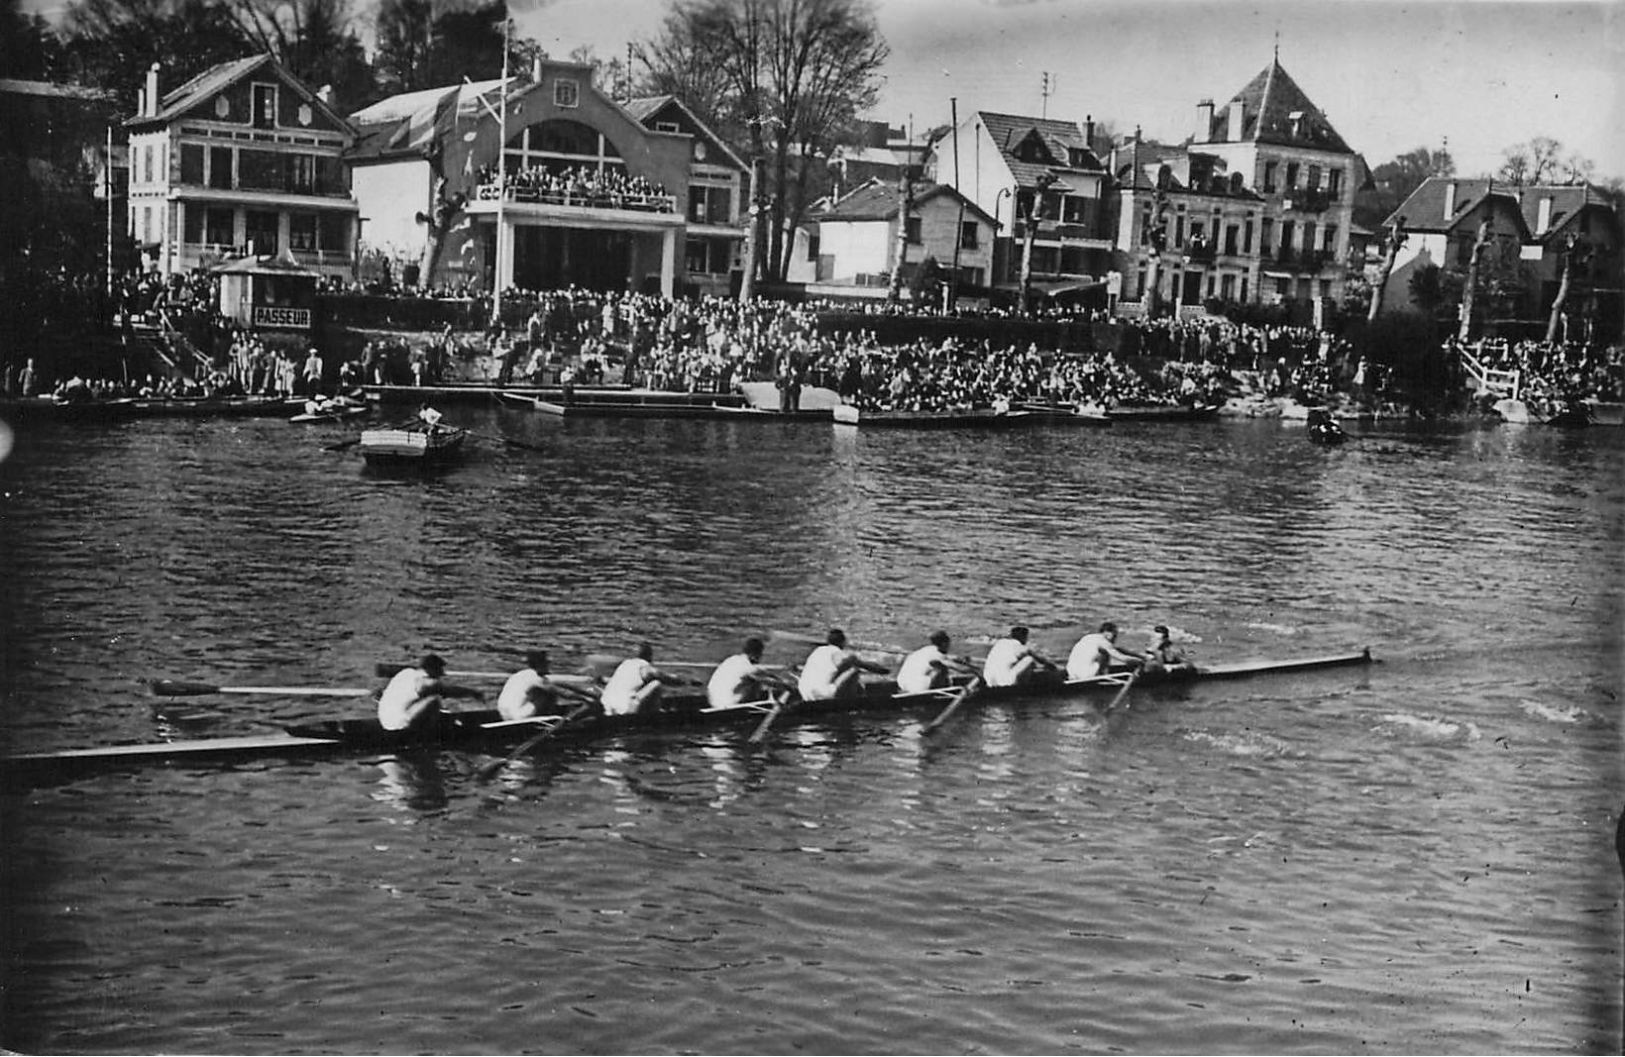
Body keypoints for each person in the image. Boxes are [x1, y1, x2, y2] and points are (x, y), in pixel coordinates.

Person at [377, 654, 485, 732]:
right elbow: (450, 691)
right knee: (434, 700)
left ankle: (434, 724)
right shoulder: (428, 684)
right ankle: (432, 732)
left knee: (428, 701)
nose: (442, 673)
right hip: (399, 725)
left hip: (385, 721)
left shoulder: (405, 673)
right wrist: (474, 693)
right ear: (430, 669)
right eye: (440, 669)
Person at [797, 628, 888, 701]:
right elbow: (863, 665)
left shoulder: (818, 651)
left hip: (804, 692)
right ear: (843, 642)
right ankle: (853, 700)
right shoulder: (837, 653)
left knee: (845, 669)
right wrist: (883, 670)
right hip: (822, 694)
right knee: (854, 669)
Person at [707, 637, 786, 710]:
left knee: (748, 681)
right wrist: (788, 687)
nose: (761, 657)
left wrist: (777, 678)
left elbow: (764, 672)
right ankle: (757, 708)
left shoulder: (732, 659)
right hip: (729, 705)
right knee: (755, 682)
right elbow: (772, 682)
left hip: (713, 701)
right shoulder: (748, 668)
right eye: (760, 654)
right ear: (755, 654)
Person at [600, 643, 669, 716]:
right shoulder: (645, 667)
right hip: (626, 709)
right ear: (649, 656)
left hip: (607, 707)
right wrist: (680, 681)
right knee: (656, 684)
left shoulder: (625, 664)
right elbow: (667, 679)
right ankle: (655, 715)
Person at [981, 626, 1058, 688]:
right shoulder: (1022, 648)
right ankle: (1024, 687)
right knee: (1029, 660)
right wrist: (1053, 668)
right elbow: (1042, 661)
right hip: (1006, 683)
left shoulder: (1000, 643)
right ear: (1024, 638)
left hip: (989, 680)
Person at [497, 649, 563, 721]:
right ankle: (551, 720)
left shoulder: (518, 675)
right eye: (547, 663)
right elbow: (557, 691)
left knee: (537, 692)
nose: (548, 666)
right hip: (519, 717)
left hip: (504, 716)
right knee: (548, 695)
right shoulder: (536, 677)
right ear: (540, 663)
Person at [1065, 621, 1142, 681]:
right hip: (1086, 675)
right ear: (1109, 633)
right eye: (1115, 635)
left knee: (1104, 652)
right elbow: (1122, 658)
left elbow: (1118, 649)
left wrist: (1142, 656)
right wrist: (1140, 661)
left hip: (1072, 672)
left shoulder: (1089, 637)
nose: (1115, 639)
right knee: (1105, 655)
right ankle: (1102, 676)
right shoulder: (1104, 642)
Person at [897, 630, 963, 694]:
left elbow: (948, 658)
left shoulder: (926, 649)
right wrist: (971, 670)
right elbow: (959, 668)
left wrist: (960, 660)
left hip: (902, 683)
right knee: (942, 669)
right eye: (949, 643)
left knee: (935, 668)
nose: (949, 646)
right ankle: (936, 694)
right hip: (918, 687)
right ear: (944, 643)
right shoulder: (937, 654)